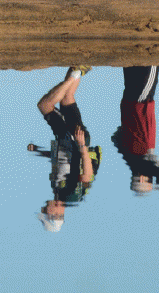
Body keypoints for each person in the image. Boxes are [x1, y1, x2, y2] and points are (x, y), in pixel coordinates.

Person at [28, 65, 101, 231]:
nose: (44, 208)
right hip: (73, 141)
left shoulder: (59, 193)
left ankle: (78, 67)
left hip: (68, 141)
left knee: (67, 99)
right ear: (54, 215)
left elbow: (61, 162)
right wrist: (82, 146)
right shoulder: (71, 197)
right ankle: (76, 73)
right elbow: (87, 177)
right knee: (45, 105)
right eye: (45, 212)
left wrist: (40, 151)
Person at [111, 66, 159, 195]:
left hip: (140, 105)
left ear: (142, 178)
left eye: (149, 179)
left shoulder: (141, 161)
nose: (151, 177)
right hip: (128, 105)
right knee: (132, 66)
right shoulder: (128, 155)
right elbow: (115, 138)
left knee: (153, 64)